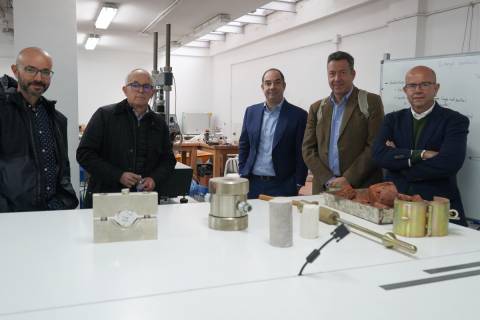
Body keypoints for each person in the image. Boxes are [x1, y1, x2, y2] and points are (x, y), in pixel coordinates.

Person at [373, 66, 469, 226]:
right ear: (405, 90)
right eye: (412, 85)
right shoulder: (392, 120)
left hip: (436, 208)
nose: (417, 90)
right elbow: (378, 155)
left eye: (425, 84)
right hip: (394, 205)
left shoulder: (455, 121)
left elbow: (450, 163)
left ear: (436, 88)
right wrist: (421, 155)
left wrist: (398, 162)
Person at [77, 68, 176, 207]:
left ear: (152, 92)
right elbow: (84, 154)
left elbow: (168, 160)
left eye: (146, 86)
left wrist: (154, 179)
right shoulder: (104, 116)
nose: (141, 90)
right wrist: (118, 175)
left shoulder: (159, 123)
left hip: (144, 201)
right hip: (106, 199)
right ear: (125, 90)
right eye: (135, 85)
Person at [0, 47, 78, 212]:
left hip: (52, 213)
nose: (39, 78)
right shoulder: (3, 112)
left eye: (45, 72)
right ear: (15, 70)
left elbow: (62, 169)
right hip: (11, 218)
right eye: (31, 70)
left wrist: (64, 203)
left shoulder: (57, 119)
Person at [302, 51, 384, 194]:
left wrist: (348, 178)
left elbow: (374, 145)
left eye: (342, 73)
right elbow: (308, 149)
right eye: (332, 74)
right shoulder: (316, 108)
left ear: (353, 74)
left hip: (359, 187)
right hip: (324, 187)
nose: (337, 78)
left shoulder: (371, 102)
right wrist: (328, 179)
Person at [239, 68, 308, 199]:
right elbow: (244, 144)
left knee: (281, 220)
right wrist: (243, 172)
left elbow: (302, 152)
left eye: (277, 82)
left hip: (283, 185)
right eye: (268, 83)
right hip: (253, 184)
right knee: (253, 219)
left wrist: (298, 182)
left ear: (284, 85)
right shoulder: (251, 112)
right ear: (262, 87)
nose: (272, 87)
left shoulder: (298, 115)